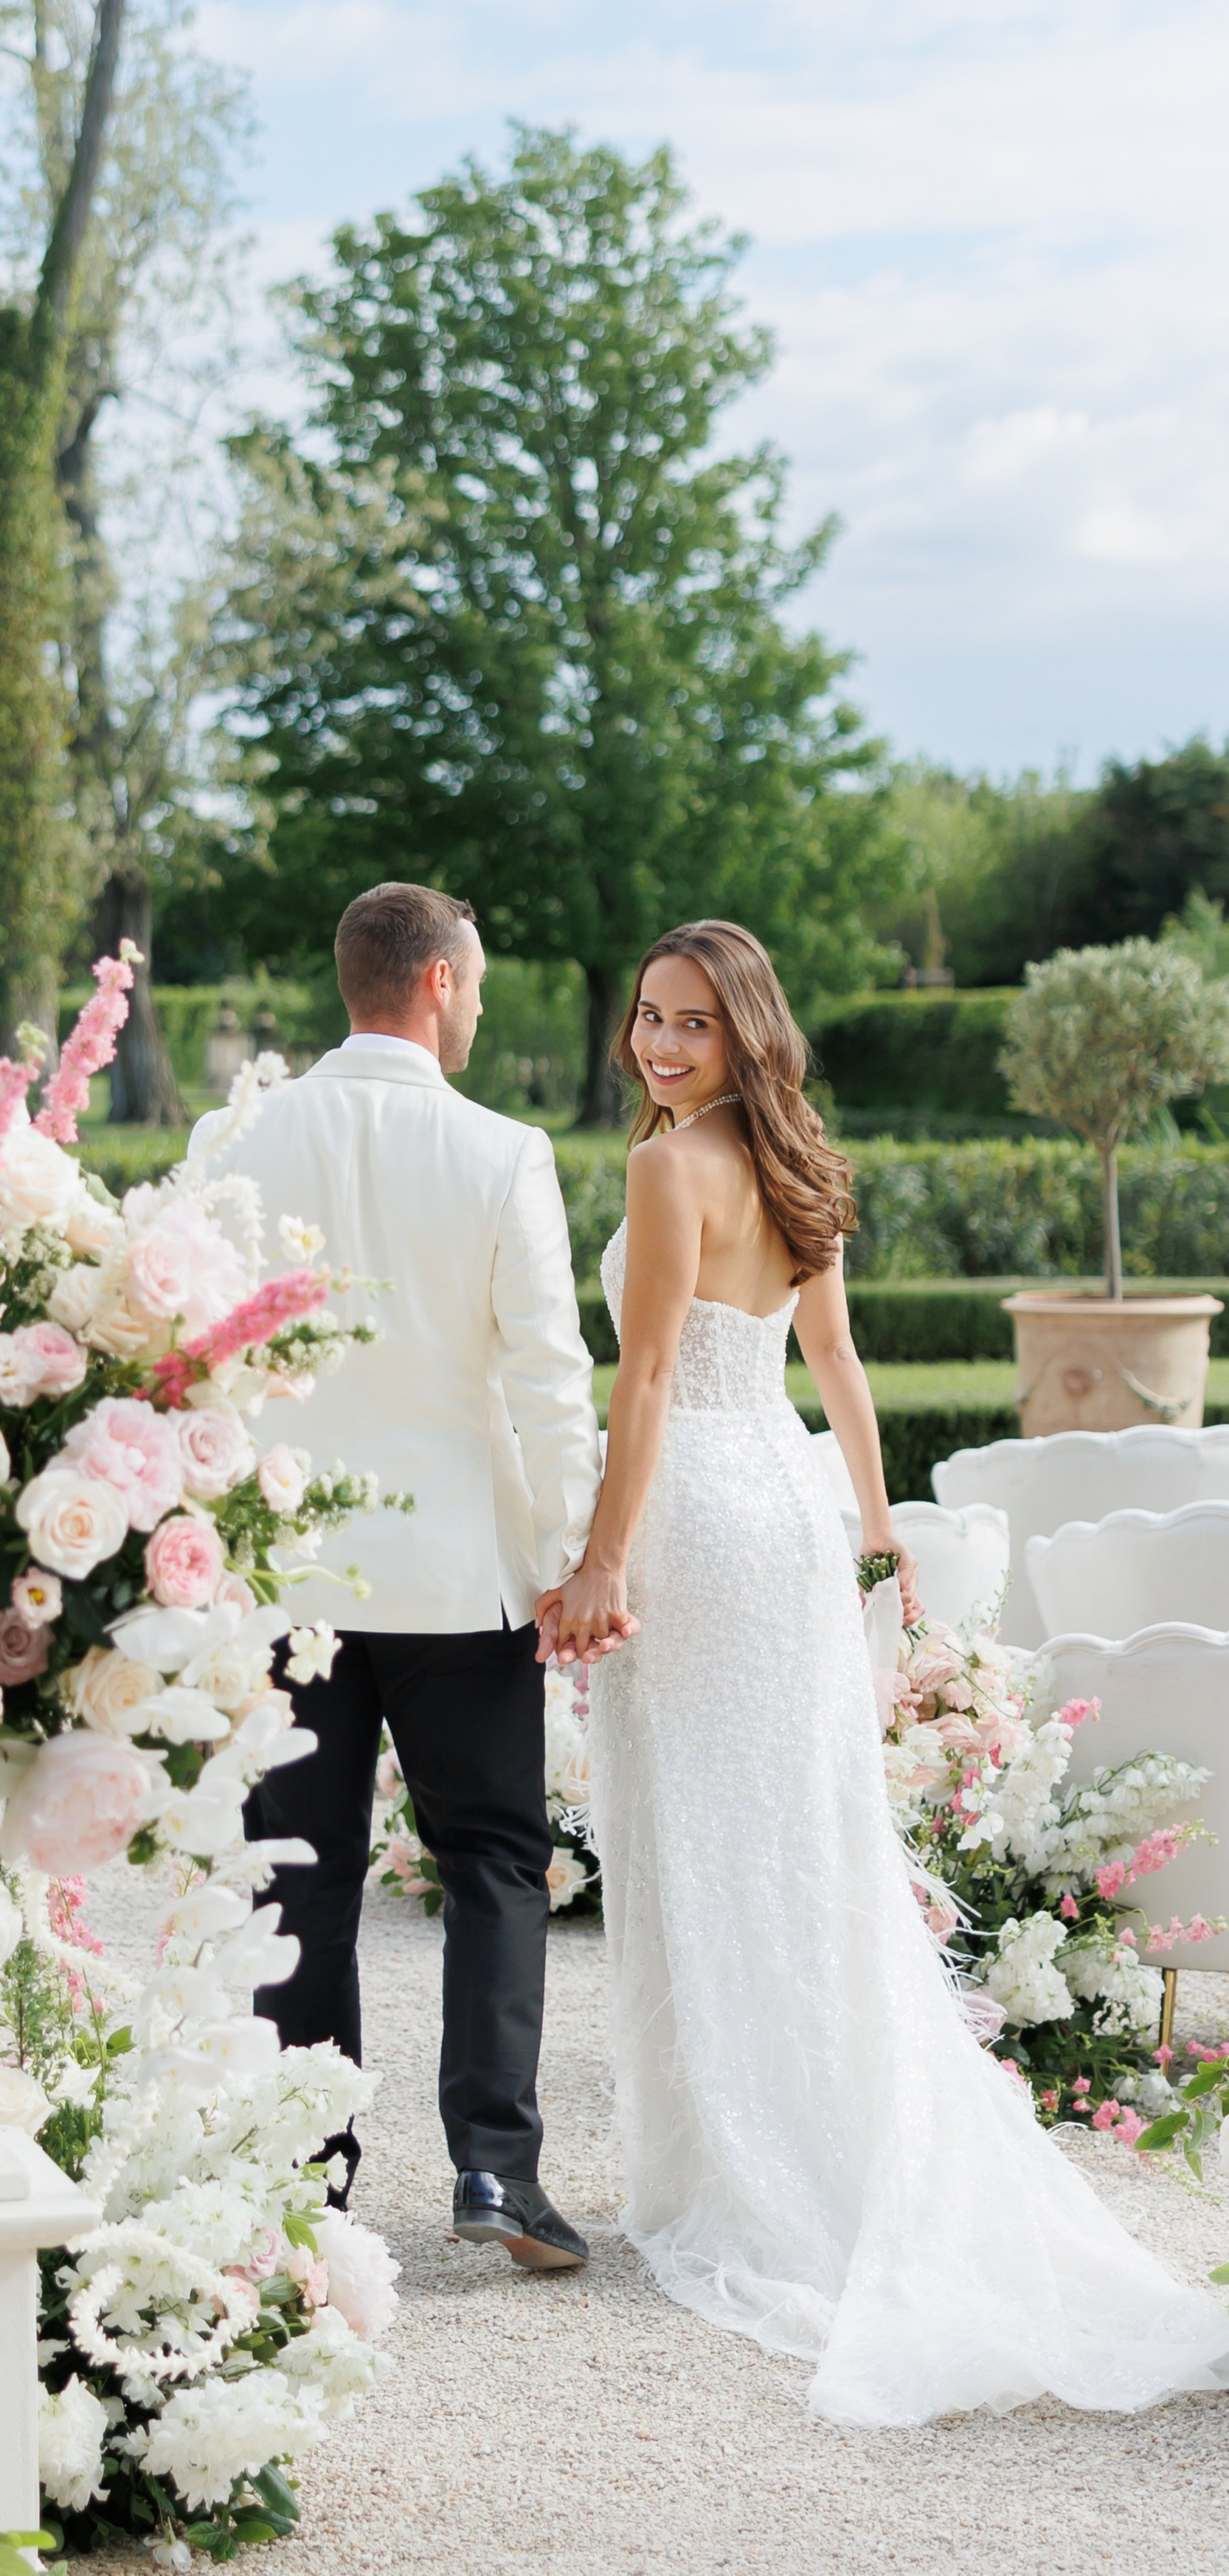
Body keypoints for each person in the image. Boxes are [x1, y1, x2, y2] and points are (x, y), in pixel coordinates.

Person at [544, 917, 1229, 2423]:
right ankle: (810, 2132)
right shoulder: (797, 1166)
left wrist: (600, 1559)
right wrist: (869, 1534)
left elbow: (646, 1377)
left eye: (688, 1026)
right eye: (647, 1018)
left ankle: (738, 2168)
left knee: (711, 1840)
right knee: (798, 1835)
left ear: (742, 1035)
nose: (656, 1045)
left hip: (700, 1527)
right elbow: (835, 1367)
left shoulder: (667, 1171)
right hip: (782, 1511)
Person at [192, 882, 601, 2268]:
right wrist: (572, 1560)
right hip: (455, 1579)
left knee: (298, 1873)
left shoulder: (232, 1139)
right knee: (493, 1860)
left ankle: (300, 2185)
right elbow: (550, 1380)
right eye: (476, 986)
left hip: (284, 1579)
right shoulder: (503, 1152)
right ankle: (495, 2172)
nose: (479, 1008)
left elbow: (188, 1356)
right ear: (434, 983)